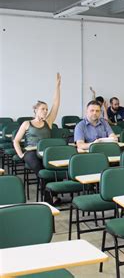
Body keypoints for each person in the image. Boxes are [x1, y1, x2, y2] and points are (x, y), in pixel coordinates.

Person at [13, 73, 61, 203]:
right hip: (31, 152)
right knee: (42, 171)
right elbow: (16, 140)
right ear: (36, 110)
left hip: (46, 152)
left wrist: (57, 86)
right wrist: (21, 155)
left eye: (46, 109)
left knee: (52, 169)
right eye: (42, 109)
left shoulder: (48, 122)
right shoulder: (27, 123)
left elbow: (56, 104)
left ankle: (51, 194)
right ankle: (50, 197)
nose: (45, 111)